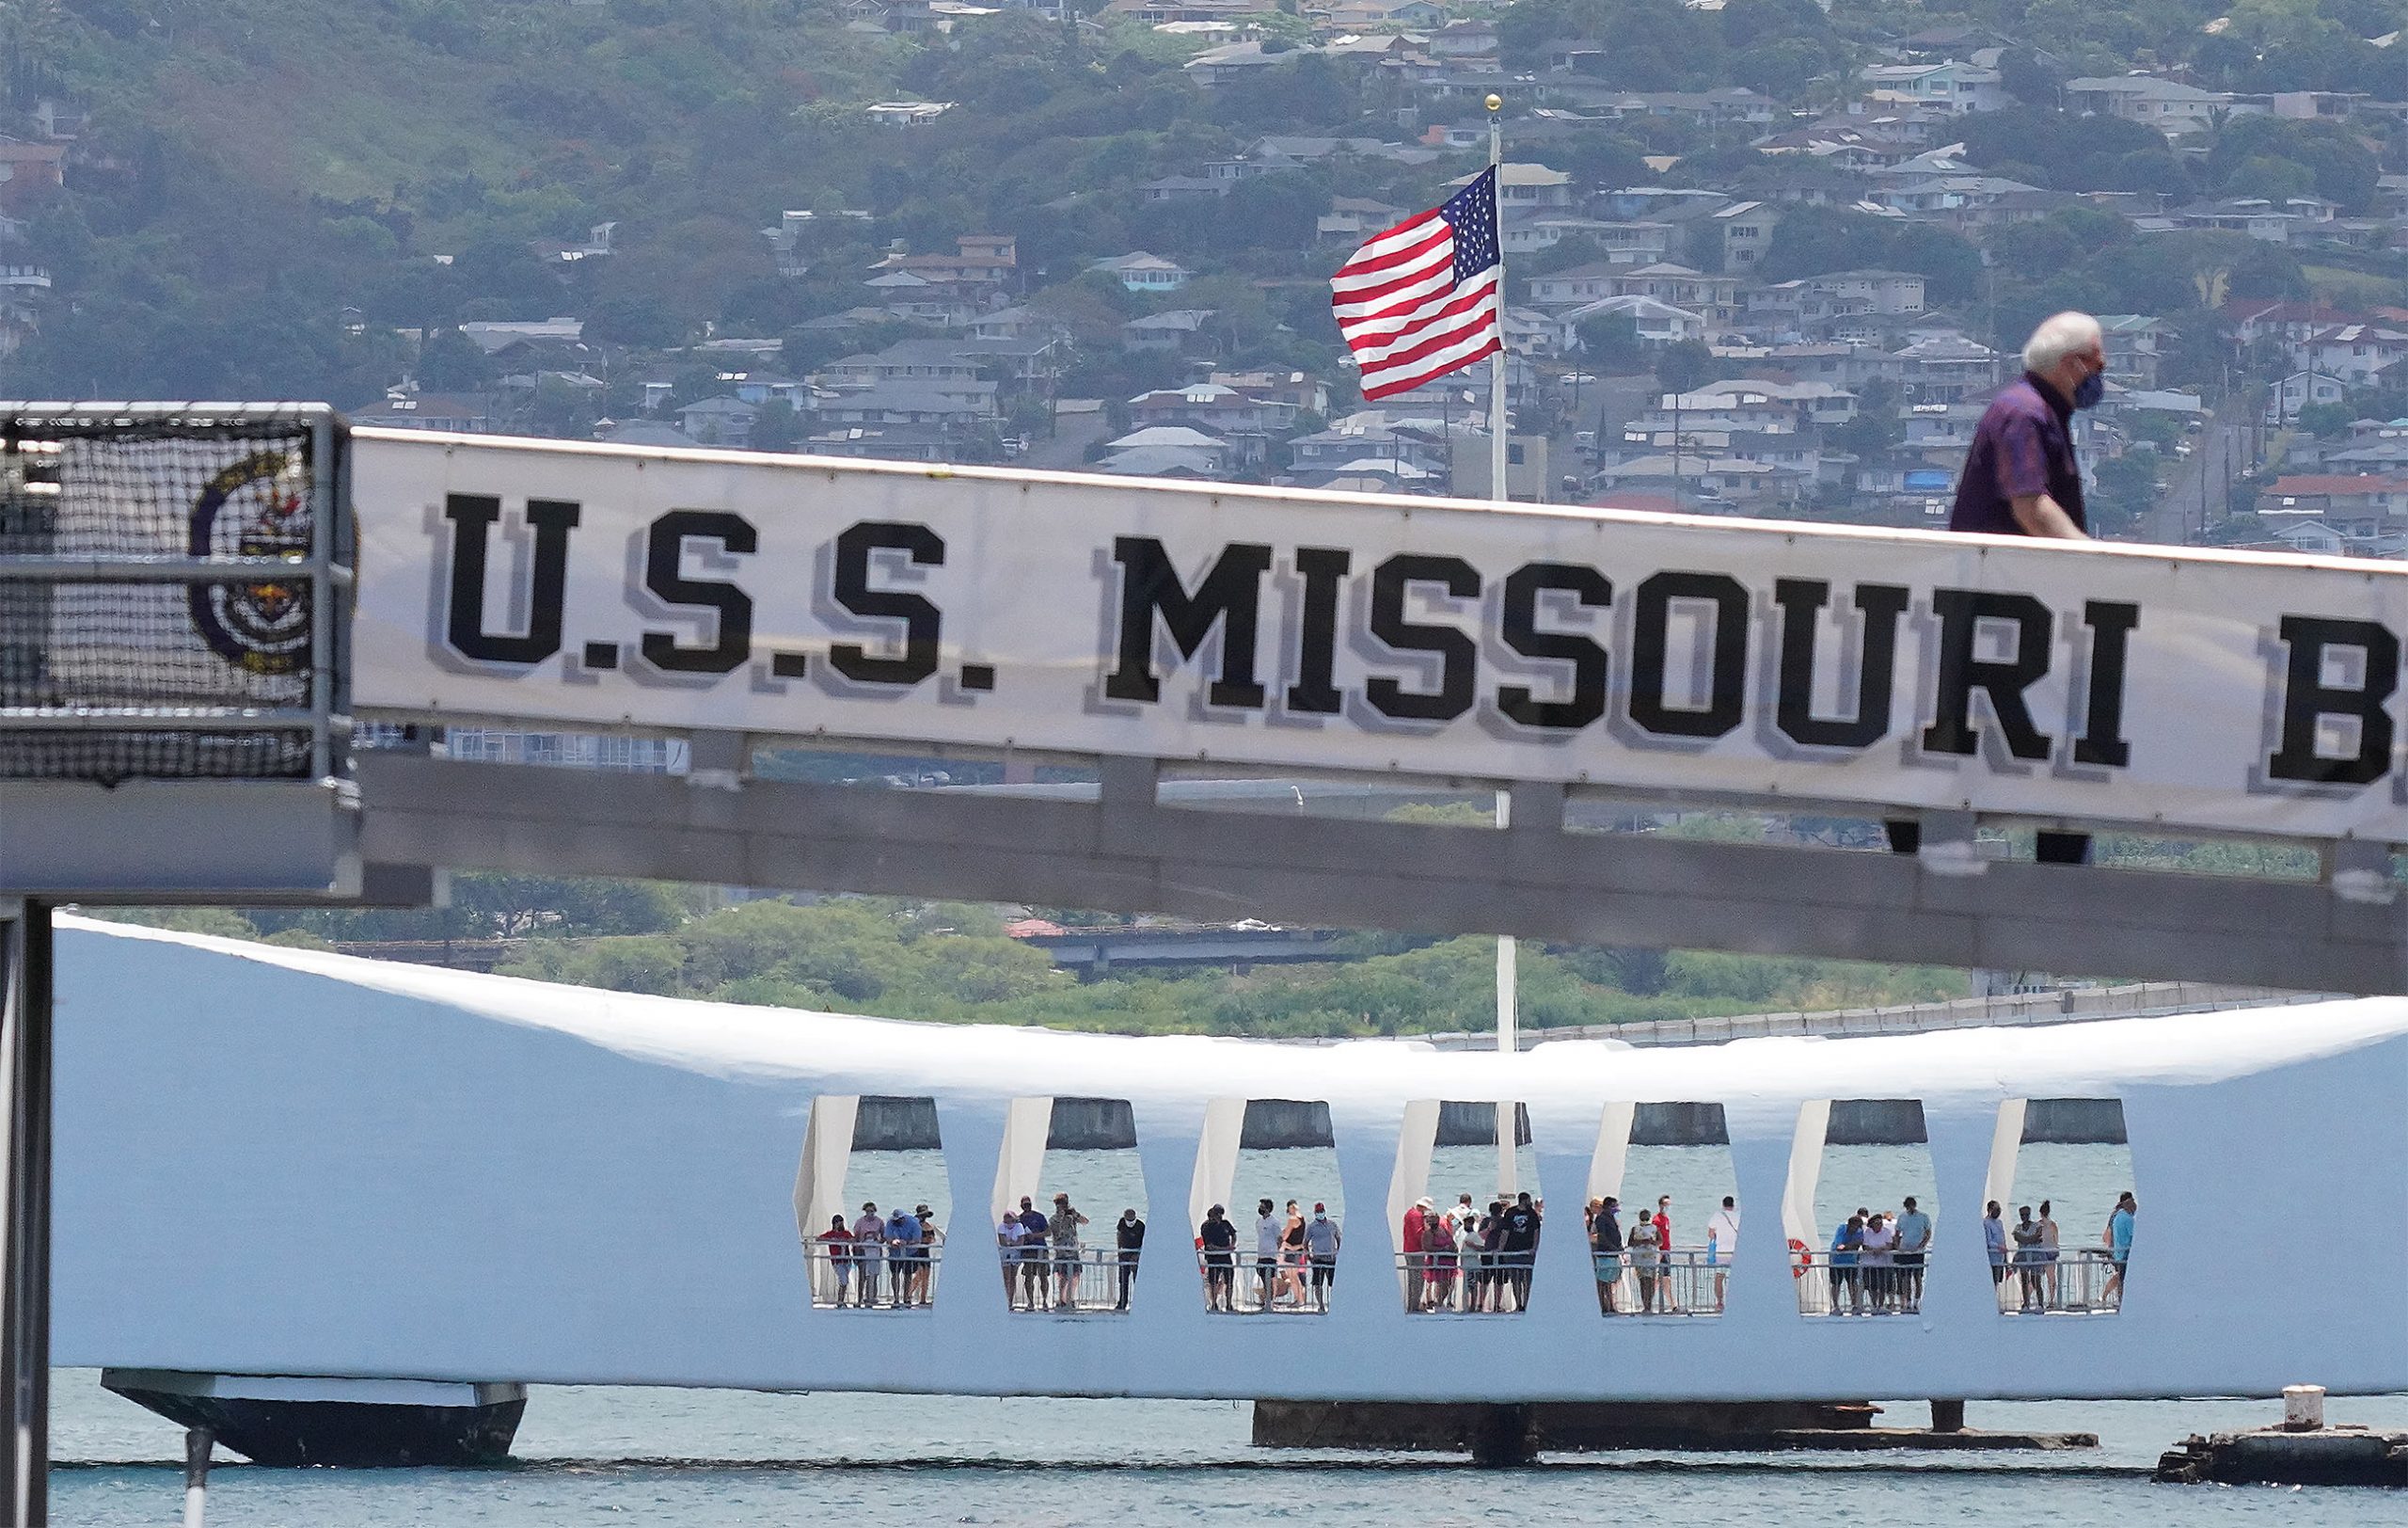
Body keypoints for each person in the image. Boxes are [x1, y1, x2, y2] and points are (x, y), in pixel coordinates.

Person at [1887, 310, 2106, 869]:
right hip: (1998, 601)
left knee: (2011, 730)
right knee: (2030, 729)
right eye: (2096, 360)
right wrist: (2095, 562)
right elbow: (2030, 505)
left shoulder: (2036, 413)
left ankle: (2044, 852)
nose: (2102, 372)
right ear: (2069, 365)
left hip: (2009, 602)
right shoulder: (2024, 415)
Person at [1499, 1191, 1541, 1313]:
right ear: (1524, 1200)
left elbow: (1536, 1232)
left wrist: (1534, 1248)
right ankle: (1518, 1304)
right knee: (1515, 1280)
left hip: (1527, 1251)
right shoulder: (1510, 1213)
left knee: (1527, 1280)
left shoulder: (1532, 1214)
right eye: (1528, 1200)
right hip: (1512, 1250)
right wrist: (1501, 1249)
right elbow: (1505, 1231)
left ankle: (1527, 1304)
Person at [1049, 1193, 1088, 1312]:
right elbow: (1056, 1231)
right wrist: (1062, 1217)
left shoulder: (1072, 1217)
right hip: (1061, 1252)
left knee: (1075, 1276)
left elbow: (1085, 1221)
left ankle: (1070, 1299)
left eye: (1065, 1203)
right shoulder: (1053, 1219)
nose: (1063, 1206)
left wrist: (1075, 1214)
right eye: (1060, 1204)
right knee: (1062, 1277)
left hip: (1073, 1251)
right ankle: (1062, 1300)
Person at [1893, 1196, 1932, 1314]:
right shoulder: (1902, 1217)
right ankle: (1908, 1302)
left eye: (1912, 1206)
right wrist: (1898, 1247)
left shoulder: (1923, 1217)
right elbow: (1897, 1233)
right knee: (1906, 1278)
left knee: (1918, 1278)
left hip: (1917, 1252)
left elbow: (1928, 1232)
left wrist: (1921, 1245)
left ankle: (1916, 1302)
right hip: (1905, 1251)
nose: (1910, 1208)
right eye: (1908, 1206)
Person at [1626, 1202, 1664, 1313]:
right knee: (1645, 1282)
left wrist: (1651, 1242)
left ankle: (1648, 1304)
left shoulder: (1653, 1228)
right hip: (1642, 1259)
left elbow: (1660, 1241)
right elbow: (1630, 1243)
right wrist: (1642, 1242)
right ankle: (1646, 1304)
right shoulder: (1636, 1229)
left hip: (1649, 1259)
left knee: (1649, 1282)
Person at [1198, 1204, 1237, 1312]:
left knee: (1229, 1281)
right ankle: (1214, 1303)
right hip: (1213, 1258)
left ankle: (1229, 1304)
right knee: (1213, 1282)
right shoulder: (1206, 1226)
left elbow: (1233, 1234)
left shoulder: (1225, 1224)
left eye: (1221, 1214)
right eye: (1217, 1214)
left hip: (1226, 1258)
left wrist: (1232, 1244)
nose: (1219, 1216)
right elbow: (1210, 1246)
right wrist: (1225, 1249)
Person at [884, 1203, 923, 1309]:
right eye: (895, 1220)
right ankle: (896, 1298)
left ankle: (907, 1298)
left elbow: (917, 1240)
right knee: (895, 1274)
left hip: (910, 1253)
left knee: (908, 1275)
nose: (896, 1222)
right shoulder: (890, 1223)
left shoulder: (914, 1223)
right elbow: (887, 1236)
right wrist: (893, 1241)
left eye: (899, 1220)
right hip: (895, 1253)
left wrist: (906, 1242)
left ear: (903, 1218)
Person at [1705, 1195, 1740, 1311]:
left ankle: (1720, 1303)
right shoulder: (1739, 1216)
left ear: (1723, 1205)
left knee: (1719, 1277)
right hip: (1736, 1251)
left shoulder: (1717, 1216)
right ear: (1733, 1205)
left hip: (1721, 1251)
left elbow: (1710, 1234)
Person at [1304, 1202, 1340, 1312]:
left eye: (1321, 1211)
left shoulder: (1332, 1225)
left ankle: (1334, 1305)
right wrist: (1308, 1256)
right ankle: (1321, 1305)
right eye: (1318, 1212)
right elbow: (1305, 1242)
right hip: (1318, 1259)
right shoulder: (1312, 1227)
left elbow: (1338, 1239)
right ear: (1315, 1213)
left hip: (1331, 1259)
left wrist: (1338, 1253)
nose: (1320, 1213)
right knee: (1317, 1284)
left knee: (1333, 1284)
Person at [1016, 1196, 1051, 1310]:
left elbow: (1048, 1232)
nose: (1027, 1207)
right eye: (1025, 1205)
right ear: (1021, 1206)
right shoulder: (1019, 1219)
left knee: (1043, 1276)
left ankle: (1044, 1301)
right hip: (1027, 1250)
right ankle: (1030, 1301)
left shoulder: (1039, 1217)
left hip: (1040, 1249)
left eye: (1028, 1205)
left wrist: (1035, 1235)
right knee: (1029, 1277)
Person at [1859, 1211, 1897, 1313]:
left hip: (1883, 1263)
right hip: (1870, 1263)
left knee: (1883, 1285)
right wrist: (1872, 1250)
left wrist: (1880, 1249)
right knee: (1873, 1286)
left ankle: (1881, 1305)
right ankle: (1874, 1304)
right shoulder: (1867, 1232)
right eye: (1877, 1223)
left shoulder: (1886, 1232)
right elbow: (1865, 1245)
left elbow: (1889, 1245)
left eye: (1880, 1223)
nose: (1879, 1225)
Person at [2102, 1191, 2135, 1308]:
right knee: (2120, 1276)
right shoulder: (2124, 1216)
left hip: (2115, 1250)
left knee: (2119, 1276)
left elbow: (2106, 1234)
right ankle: (2107, 1296)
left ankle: (2109, 1296)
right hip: (2119, 1250)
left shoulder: (2116, 1214)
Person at [851, 1202, 887, 1309]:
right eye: (867, 1211)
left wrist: (879, 1241)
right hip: (863, 1251)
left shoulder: (879, 1222)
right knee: (863, 1276)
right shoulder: (860, 1222)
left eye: (871, 1211)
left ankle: (872, 1297)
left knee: (874, 1275)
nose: (870, 1213)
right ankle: (859, 1298)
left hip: (875, 1251)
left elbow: (884, 1235)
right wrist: (856, 1250)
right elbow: (856, 1237)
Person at [1592, 1196, 1624, 1313]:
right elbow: (1602, 1236)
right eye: (1614, 1206)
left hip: (1613, 1255)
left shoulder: (1612, 1218)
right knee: (1602, 1282)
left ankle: (1610, 1305)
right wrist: (1613, 1248)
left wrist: (1619, 1247)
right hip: (1605, 1255)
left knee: (1610, 1282)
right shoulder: (1601, 1218)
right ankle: (1604, 1306)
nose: (1616, 1208)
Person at [816, 1214, 854, 1308]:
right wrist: (832, 1240)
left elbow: (853, 1239)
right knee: (844, 1280)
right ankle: (840, 1301)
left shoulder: (846, 1233)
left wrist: (846, 1241)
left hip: (846, 1260)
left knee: (843, 1281)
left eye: (841, 1221)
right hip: (836, 1261)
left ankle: (841, 1300)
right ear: (834, 1223)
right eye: (838, 1222)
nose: (840, 1224)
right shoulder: (830, 1234)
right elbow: (819, 1238)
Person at [1829, 1214, 1864, 1315]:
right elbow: (1839, 1247)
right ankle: (1835, 1306)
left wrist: (1847, 1246)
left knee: (1852, 1283)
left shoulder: (1859, 1232)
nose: (1856, 1229)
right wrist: (1849, 1246)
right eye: (1855, 1226)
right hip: (1836, 1261)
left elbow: (1858, 1244)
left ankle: (1854, 1305)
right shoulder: (1841, 1229)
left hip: (1851, 1261)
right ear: (1850, 1225)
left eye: (1858, 1227)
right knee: (1836, 1284)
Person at [1401, 1197, 1432, 1313]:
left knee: (1412, 1279)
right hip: (1416, 1251)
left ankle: (1412, 1305)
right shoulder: (1416, 1216)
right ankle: (1414, 1305)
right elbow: (1419, 1234)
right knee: (1418, 1279)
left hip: (1409, 1249)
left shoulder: (1409, 1213)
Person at [2011, 1205, 2043, 1312]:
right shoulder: (2018, 1227)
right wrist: (2031, 1239)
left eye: (2026, 1214)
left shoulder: (2037, 1226)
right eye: (2022, 1215)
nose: (2024, 1217)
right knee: (2024, 1281)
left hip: (2035, 1257)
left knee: (2036, 1281)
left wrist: (2025, 1240)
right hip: (2024, 1257)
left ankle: (2040, 1304)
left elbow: (2037, 1236)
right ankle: (2026, 1304)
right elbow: (2018, 1237)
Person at [1278, 1200, 1308, 1309]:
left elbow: (1285, 1236)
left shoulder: (1292, 1219)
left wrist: (1283, 1238)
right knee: (1295, 1277)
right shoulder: (1302, 1218)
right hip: (1298, 1250)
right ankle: (1300, 1300)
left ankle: (1299, 1300)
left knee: (1293, 1277)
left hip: (1291, 1251)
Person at [998, 1208, 1029, 1310]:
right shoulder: (1001, 1227)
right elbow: (1003, 1242)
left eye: (1009, 1221)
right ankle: (1005, 1300)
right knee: (1006, 1277)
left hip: (1015, 1255)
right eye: (1005, 1221)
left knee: (1012, 1277)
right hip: (1005, 1254)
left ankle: (1010, 1301)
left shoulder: (1019, 1227)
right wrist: (1012, 1243)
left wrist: (1010, 1242)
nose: (1007, 1224)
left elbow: (1020, 1242)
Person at [1115, 1207, 1145, 1311]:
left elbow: (1144, 1243)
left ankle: (1139, 1304)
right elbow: (1119, 1236)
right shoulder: (1122, 1223)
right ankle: (1122, 1303)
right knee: (1123, 1281)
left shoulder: (1141, 1226)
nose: (1130, 1222)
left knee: (1138, 1281)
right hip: (1124, 1256)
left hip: (1136, 1256)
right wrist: (1119, 1252)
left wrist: (1137, 1256)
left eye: (1132, 1220)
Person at [912, 1206, 941, 1308]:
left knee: (926, 1276)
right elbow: (915, 1239)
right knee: (919, 1275)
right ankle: (908, 1294)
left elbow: (932, 1239)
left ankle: (923, 1299)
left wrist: (928, 1239)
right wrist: (923, 1239)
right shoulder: (915, 1225)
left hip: (926, 1252)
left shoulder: (929, 1226)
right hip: (918, 1252)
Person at [1653, 1196, 1677, 1312]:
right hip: (1661, 1252)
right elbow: (1655, 1237)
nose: (1668, 1207)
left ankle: (1650, 1302)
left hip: (1667, 1252)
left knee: (1661, 1280)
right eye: (1666, 1205)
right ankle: (1673, 1305)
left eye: (1669, 1205)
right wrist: (1659, 1253)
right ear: (1661, 1205)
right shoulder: (1656, 1220)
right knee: (1665, 1279)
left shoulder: (1666, 1219)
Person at [2036, 1199, 2061, 1311]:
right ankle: (2051, 1301)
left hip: (2041, 1253)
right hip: (2051, 1253)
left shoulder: (2038, 1225)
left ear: (2040, 1213)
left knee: (2035, 1279)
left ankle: (2026, 1299)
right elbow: (2056, 1240)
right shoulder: (2053, 1225)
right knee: (2051, 1279)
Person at [1984, 1200, 2009, 1305]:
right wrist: (1998, 1247)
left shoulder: (2000, 1223)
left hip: (2001, 1258)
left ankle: (1994, 1302)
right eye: (1995, 1209)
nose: (1998, 1211)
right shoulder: (1986, 1223)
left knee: (1998, 1281)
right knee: (1992, 1282)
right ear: (1990, 1210)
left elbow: (2003, 1238)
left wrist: (2007, 1260)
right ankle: (1990, 1303)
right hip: (1992, 1258)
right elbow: (1989, 1241)